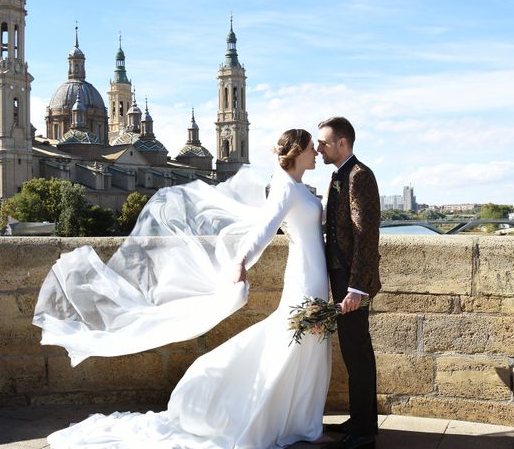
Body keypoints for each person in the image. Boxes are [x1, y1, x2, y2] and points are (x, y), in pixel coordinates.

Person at [33, 128, 334, 449]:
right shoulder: (286, 189)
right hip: (305, 275)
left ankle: (303, 422)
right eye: (310, 149)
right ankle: (278, 418)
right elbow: (265, 228)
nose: (316, 152)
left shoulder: (299, 187)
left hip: (315, 273)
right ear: (298, 151)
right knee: (295, 344)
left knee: (310, 348)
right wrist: (241, 261)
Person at [316, 117, 381, 449]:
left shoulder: (360, 176)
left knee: (357, 352)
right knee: (357, 352)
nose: (318, 148)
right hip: (343, 277)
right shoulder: (339, 176)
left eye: (324, 143)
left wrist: (356, 288)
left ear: (342, 143)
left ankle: (364, 433)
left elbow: (365, 235)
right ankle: (362, 420)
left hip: (353, 281)